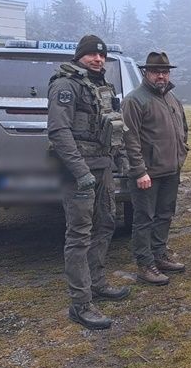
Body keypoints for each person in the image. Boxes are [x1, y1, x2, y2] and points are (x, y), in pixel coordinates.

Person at [47, 34, 130, 330]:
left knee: (106, 224)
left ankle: (97, 284)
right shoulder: (65, 85)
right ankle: (80, 304)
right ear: (79, 56)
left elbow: (113, 128)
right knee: (79, 235)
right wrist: (80, 171)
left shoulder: (102, 87)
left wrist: (120, 161)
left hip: (103, 167)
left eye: (102, 56)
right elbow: (59, 132)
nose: (97, 59)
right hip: (78, 172)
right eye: (92, 55)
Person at [122, 51, 189, 287]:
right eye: (156, 71)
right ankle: (145, 264)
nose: (161, 75)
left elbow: (183, 128)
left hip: (171, 170)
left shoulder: (171, 98)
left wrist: (182, 153)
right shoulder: (134, 100)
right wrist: (139, 171)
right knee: (144, 219)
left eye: (164, 71)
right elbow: (129, 139)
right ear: (146, 73)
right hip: (147, 174)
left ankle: (159, 255)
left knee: (165, 215)